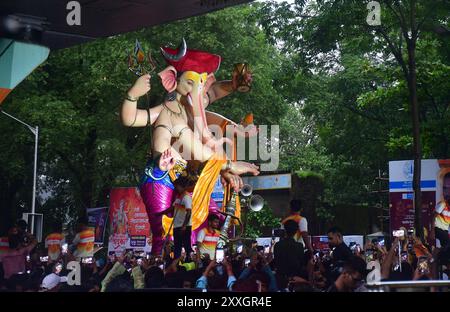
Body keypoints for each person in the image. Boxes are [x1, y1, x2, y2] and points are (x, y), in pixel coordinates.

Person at [172, 176, 194, 261]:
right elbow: (172, 207)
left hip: (184, 226)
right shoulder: (179, 197)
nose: (176, 188)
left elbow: (189, 212)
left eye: (177, 186)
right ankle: (176, 263)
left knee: (186, 245)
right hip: (177, 226)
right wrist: (161, 213)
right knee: (177, 246)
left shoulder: (186, 197)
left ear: (181, 186)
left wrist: (184, 226)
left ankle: (190, 261)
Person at [434, 173, 450, 254]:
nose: (447, 192)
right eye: (445, 188)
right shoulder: (442, 204)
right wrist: (432, 232)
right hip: (439, 230)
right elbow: (433, 217)